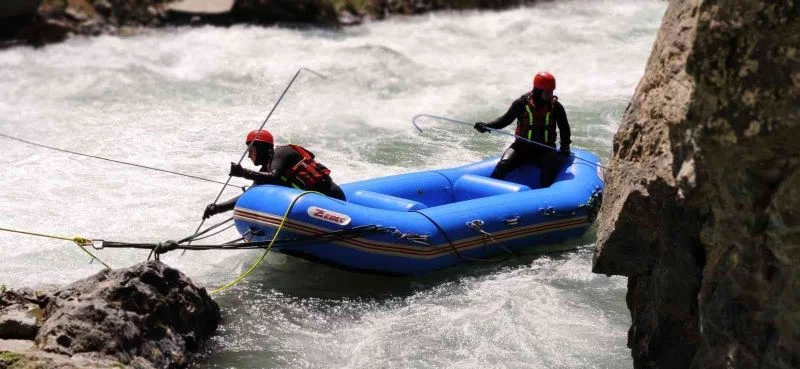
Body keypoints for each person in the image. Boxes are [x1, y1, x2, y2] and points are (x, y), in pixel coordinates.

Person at [203, 129, 346, 219]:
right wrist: (218, 208)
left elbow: (275, 176)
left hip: (333, 197)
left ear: (262, 149)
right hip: (314, 205)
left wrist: (244, 173)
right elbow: (250, 194)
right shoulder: (264, 172)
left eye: (251, 151)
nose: (249, 156)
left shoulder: (282, 152)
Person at [473, 71, 571, 188]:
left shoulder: (556, 107)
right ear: (539, 90)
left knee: (548, 172)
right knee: (502, 165)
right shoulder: (521, 104)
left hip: (545, 150)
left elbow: (564, 128)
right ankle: (488, 195)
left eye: (552, 91)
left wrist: (565, 146)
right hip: (521, 147)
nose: (551, 94)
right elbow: (504, 121)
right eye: (548, 91)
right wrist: (486, 126)